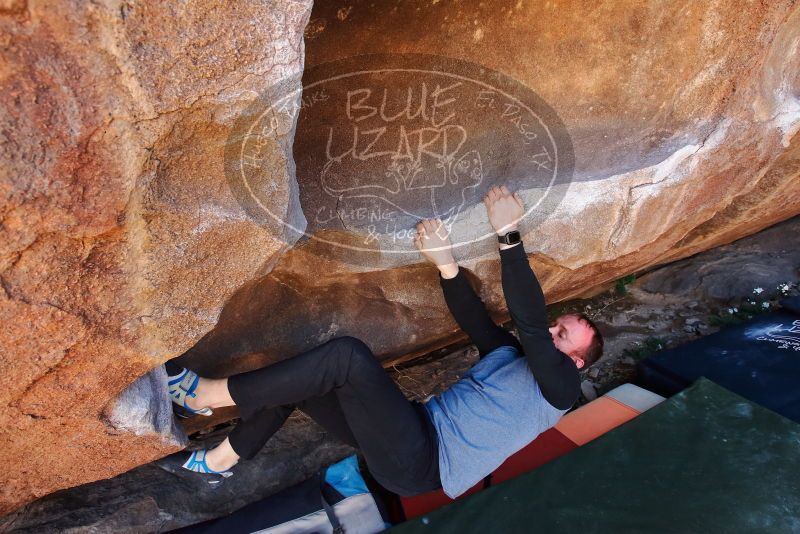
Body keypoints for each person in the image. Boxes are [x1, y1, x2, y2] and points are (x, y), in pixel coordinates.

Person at [166, 185, 603, 499]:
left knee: (346, 357)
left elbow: (528, 321)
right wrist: (445, 262)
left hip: (424, 461)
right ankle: (221, 461)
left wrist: (508, 233)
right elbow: (478, 322)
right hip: (409, 436)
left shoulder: (560, 391)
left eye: (562, 335)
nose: (549, 332)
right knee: (301, 379)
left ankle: (202, 394)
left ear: (577, 363)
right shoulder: (513, 357)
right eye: (555, 326)